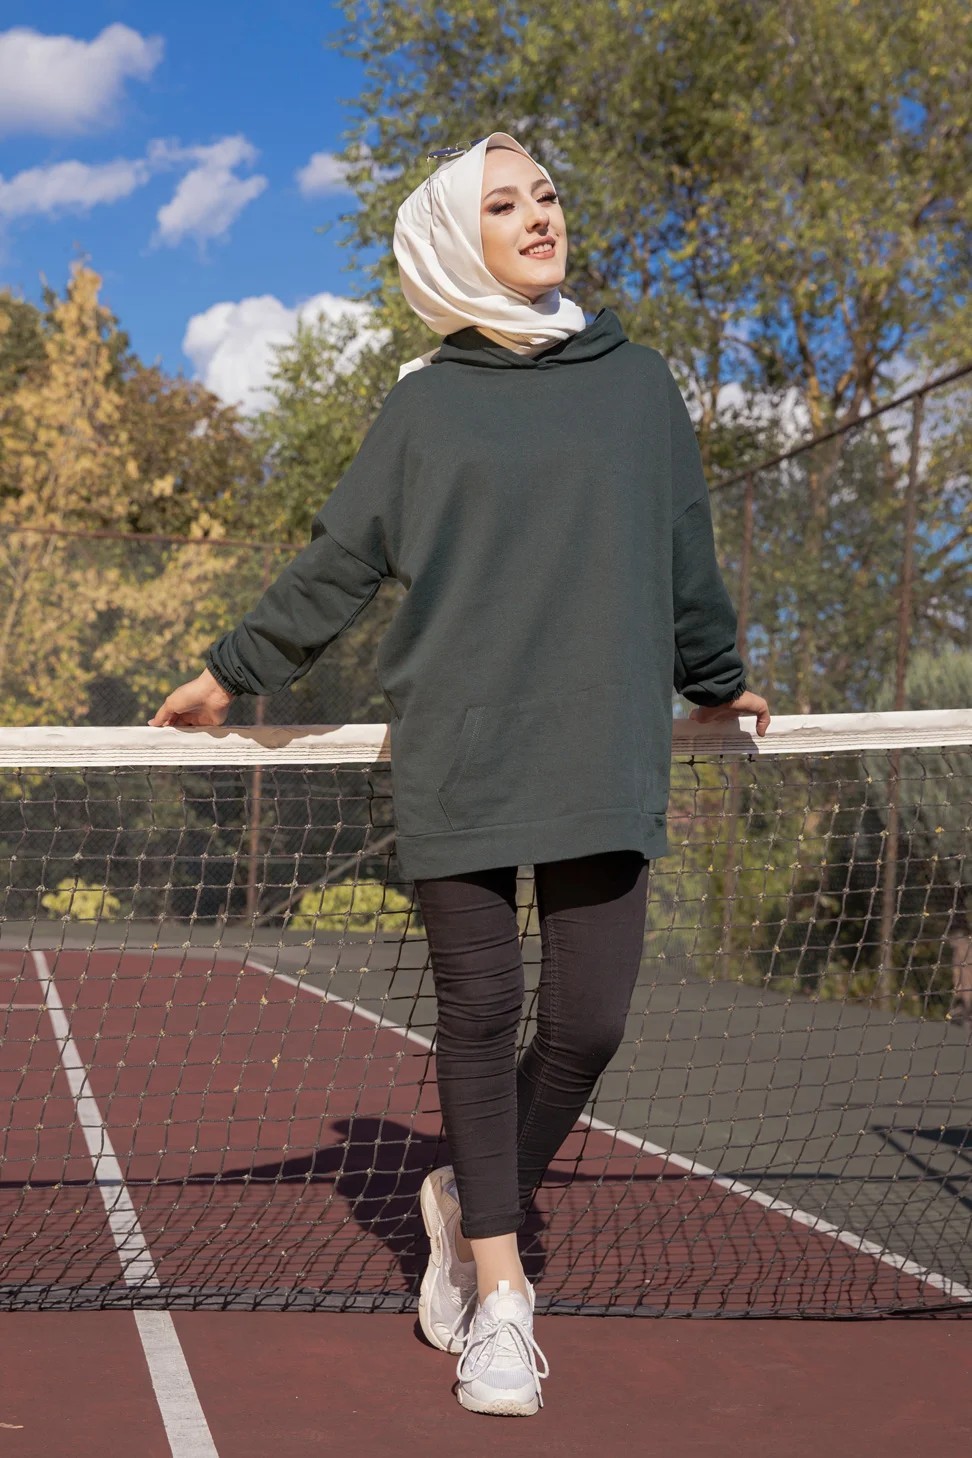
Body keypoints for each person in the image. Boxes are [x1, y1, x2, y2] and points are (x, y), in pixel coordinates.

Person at [150, 132, 771, 1418]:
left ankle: (462, 1194)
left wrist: (716, 679)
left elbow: (685, 553)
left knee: (589, 1024)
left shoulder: (638, 383)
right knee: (481, 1019)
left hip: (602, 743)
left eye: (546, 192)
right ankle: (502, 1296)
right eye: (504, 204)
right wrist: (231, 670)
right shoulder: (423, 406)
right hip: (460, 748)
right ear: (454, 241)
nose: (539, 215)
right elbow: (339, 560)